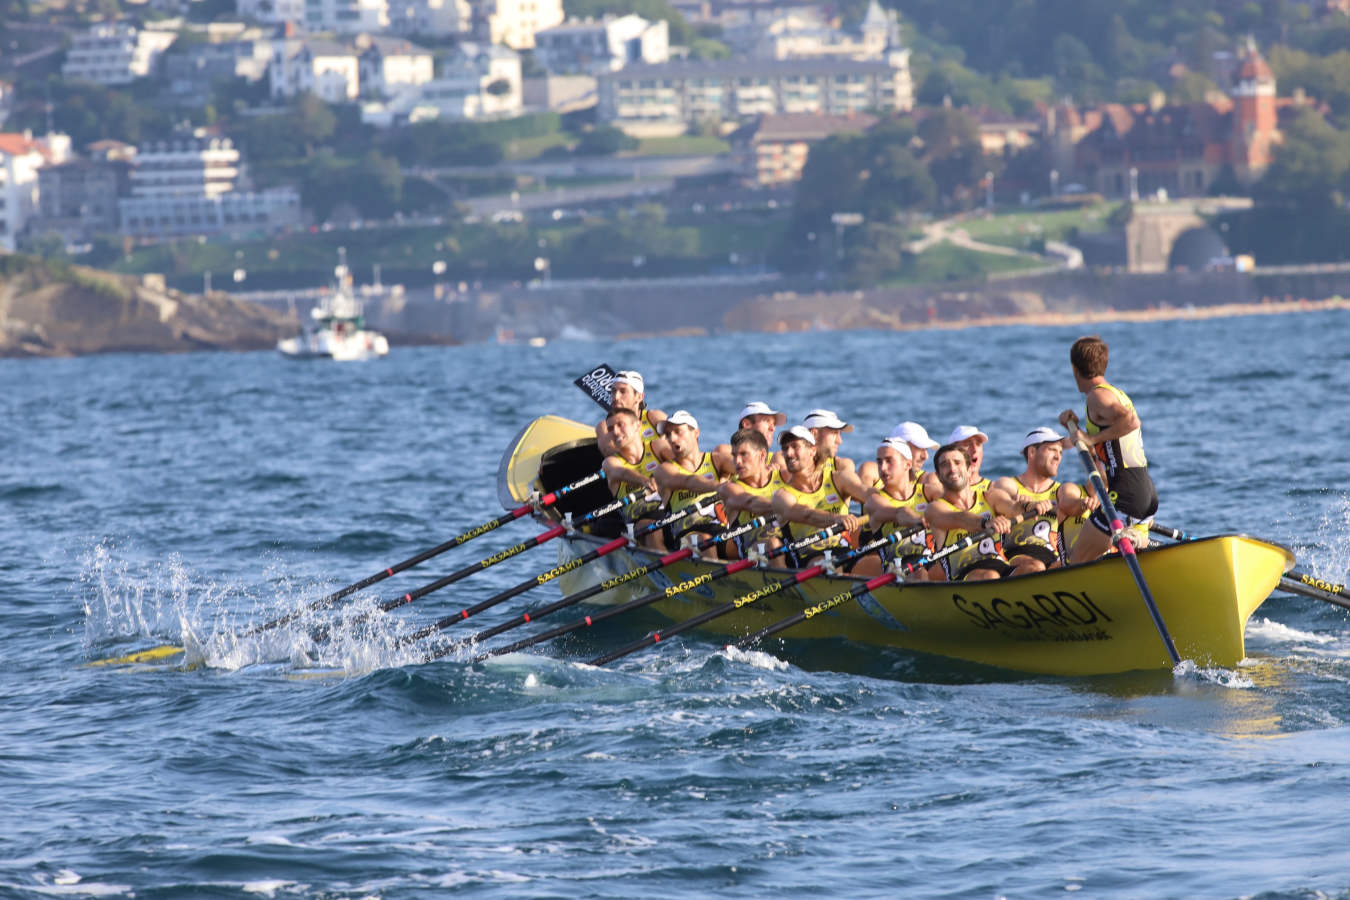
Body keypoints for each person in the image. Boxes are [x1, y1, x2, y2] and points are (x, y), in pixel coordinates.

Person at [1058, 335, 1158, 564]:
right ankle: (1136, 540)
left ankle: (1133, 540)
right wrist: (1080, 433)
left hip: (1126, 495)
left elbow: (1131, 421)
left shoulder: (1098, 396)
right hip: (1143, 492)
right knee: (1113, 555)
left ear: (1075, 369)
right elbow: (1106, 450)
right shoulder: (1113, 392)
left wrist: (1091, 438)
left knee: (1076, 562)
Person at [771, 426, 864, 566]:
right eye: (785, 448)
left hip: (844, 552)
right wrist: (837, 518)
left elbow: (868, 494)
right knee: (829, 563)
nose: (788, 453)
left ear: (812, 451)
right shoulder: (782, 495)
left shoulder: (838, 479)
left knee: (875, 562)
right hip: (808, 559)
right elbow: (807, 515)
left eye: (795, 447)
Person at [987, 427, 1071, 576]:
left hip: (1054, 557)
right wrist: (1023, 503)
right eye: (1052, 450)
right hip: (1015, 556)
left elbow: (1073, 500)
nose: (1058, 457)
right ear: (1032, 452)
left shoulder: (1061, 491)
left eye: (1060, 452)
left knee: (1071, 566)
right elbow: (1004, 493)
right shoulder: (1008, 483)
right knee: (1036, 567)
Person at [924, 443, 1012, 581]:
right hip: (963, 575)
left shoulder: (991, 496)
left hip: (1001, 566)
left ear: (970, 469)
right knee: (991, 576)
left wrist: (1029, 505)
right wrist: (986, 523)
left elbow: (1013, 507)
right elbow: (959, 518)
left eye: (957, 463)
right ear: (938, 476)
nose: (952, 469)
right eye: (945, 465)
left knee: (1032, 568)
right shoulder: (935, 508)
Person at [853, 438, 932, 578]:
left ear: (907, 464)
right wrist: (917, 520)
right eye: (879, 462)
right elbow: (900, 514)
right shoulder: (874, 501)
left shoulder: (929, 492)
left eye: (889, 461)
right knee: (920, 574)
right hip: (898, 569)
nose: (882, 468)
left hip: (933, 562)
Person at [653, 410, 731, 549]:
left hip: (721, 531)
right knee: (704, 540)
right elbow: (688, 482)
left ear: (696, 432)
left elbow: (745, 467)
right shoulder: (665, 470)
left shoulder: (717, 460)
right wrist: (718, 487)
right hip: (685, 538)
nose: (672, 439)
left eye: (678, 432)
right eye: (669, 434)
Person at [599, 407, 665, 546]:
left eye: (620, 425)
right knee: (651, 527)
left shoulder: (658, 447)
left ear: (637, 426)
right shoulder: (611, 462)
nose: (615, 432)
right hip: (640, 521)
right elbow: (621, 472)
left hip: (672, 513)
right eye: (610, 429)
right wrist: (645, 481)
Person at [717, 428, 783, 559]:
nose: (737, 461)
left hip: (787, 546)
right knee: (773, 544)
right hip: (751, 553)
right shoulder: (730, 488)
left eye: (743, 454)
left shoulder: (781, 476)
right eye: (734, 455)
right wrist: (789, 508)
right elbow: (751, 503)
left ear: (762, 455)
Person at [595, 370, 669, 460]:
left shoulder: (654, 417)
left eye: (623, 391)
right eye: (613, 391)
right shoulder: (604, 426)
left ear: (639, 397)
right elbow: (612, 455)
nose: (616, 397)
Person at [713, 401, 788, 476]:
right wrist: (764, 471)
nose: (772, 428)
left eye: (774, 424)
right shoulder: (725, 451)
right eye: (767, 421)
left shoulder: (777, 458)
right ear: (747, 424)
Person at [889, 421, 941, 499]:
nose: (926, 456)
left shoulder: (929, 480)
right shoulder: (874, 475)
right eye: (919, 448)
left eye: (926, 449)